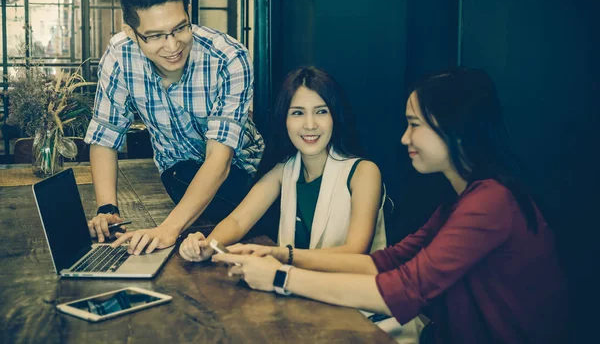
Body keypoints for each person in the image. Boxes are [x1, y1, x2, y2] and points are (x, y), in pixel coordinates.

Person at [213, 67, 569, 344]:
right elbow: (387, 261)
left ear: (454, 130)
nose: (404, 137)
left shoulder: (491, 203)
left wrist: (280, 276)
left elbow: (403, 288)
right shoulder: (463, 201)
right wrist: (283, 257)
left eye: (414, 125)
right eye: (297, 113)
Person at [84, 0, 264, 255]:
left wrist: (168, 229)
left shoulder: (229, 57)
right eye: (155, 36)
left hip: (241, 169)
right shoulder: (119, 55)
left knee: (264, 216)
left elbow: (220, 160)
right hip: (178, 172)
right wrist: (108, 209)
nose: (172, 46)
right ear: (131, 32)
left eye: (180, 28)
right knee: (186, 188)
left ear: (189, 11)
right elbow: (106, 134)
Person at [179, 66, 387, 263]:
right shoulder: (283, 170)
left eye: (321, 111)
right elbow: (238, 221)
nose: (310, 124)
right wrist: (207, 245)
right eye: (297, 113)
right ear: (284, 119)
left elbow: (356, 251)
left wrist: (281, 255)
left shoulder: (364, 172)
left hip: (353, 294)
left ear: (335, 116)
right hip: (297, 291)